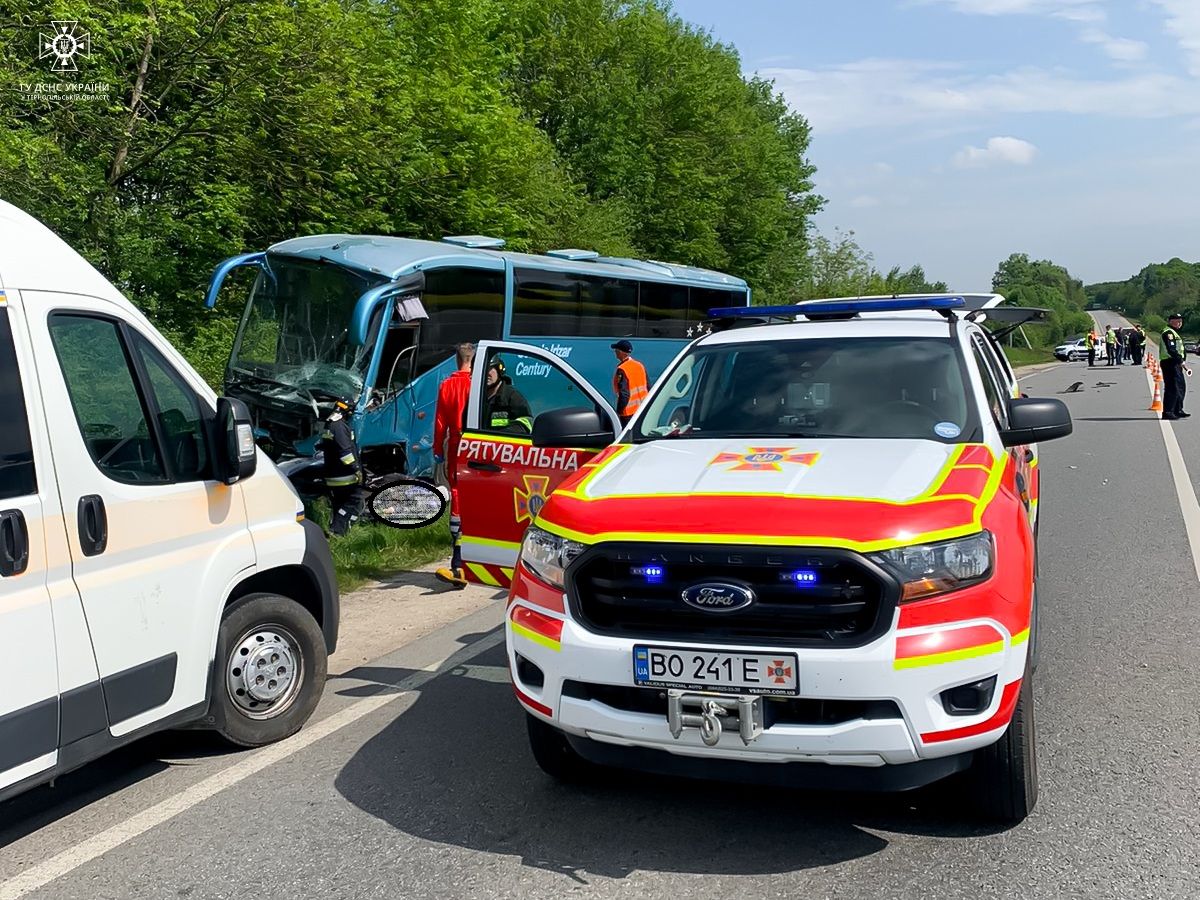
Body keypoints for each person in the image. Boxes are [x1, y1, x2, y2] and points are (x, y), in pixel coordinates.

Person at [433, 343, 475, 589]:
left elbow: (440, 423)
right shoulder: (477, 383)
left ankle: (457, 559)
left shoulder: (446, 385)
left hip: (456, 447)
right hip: (477, 444)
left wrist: (438, 450)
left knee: (457, 497)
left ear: (456, 360)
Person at [317, 399, 363, 537]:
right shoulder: (340, 426)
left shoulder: (330, 424)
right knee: (354, 501)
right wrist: (356, 469)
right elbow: (346, 453)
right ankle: (337, 531)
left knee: (339, 504)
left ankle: (338, 529)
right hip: (344, 476)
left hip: (332, 474)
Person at [481, 357, 533, 434]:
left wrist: (501, 436)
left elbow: (526, 424)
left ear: (499, 371)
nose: (486, 373)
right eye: (482, 369)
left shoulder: (512, 397)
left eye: (489, 368)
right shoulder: (476, 397)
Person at [1160, 313, 1191, 420]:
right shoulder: (1168, 333)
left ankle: (1178, 409)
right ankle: (1168, 411)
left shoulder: (1174, 333)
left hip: (1175, 363)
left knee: (1180, 387)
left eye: (1181, 321)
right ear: (1171, 321)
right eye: (1177, 321)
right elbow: (1171, 349)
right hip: (1170, 362)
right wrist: (1180, 360)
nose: (1180, 323)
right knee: (1172, 388)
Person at [611, 339, 648, 427]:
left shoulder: (623, 369)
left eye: (616, 350)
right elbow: (648, 386)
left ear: (621, 352)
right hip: (641, 410)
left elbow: (624, 394)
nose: (615, 352)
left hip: (628, 413)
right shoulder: (639, 365)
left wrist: (618, 412)